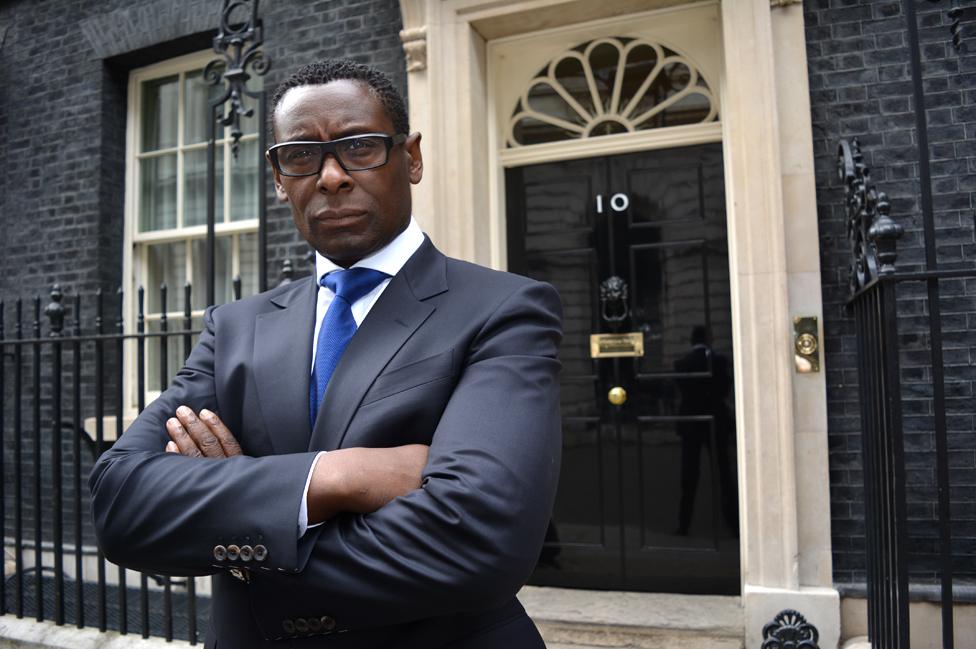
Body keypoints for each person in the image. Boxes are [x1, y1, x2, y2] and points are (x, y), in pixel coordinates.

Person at [89, 59, 563, 648]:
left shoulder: (503, 309)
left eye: (360, 147)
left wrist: (242, 541)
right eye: (301, 155)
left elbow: (479, 538)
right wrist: (339, 477)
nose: (333, 176)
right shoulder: (235, 328)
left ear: (409, 158)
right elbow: (120, 505)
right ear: (278, 176)